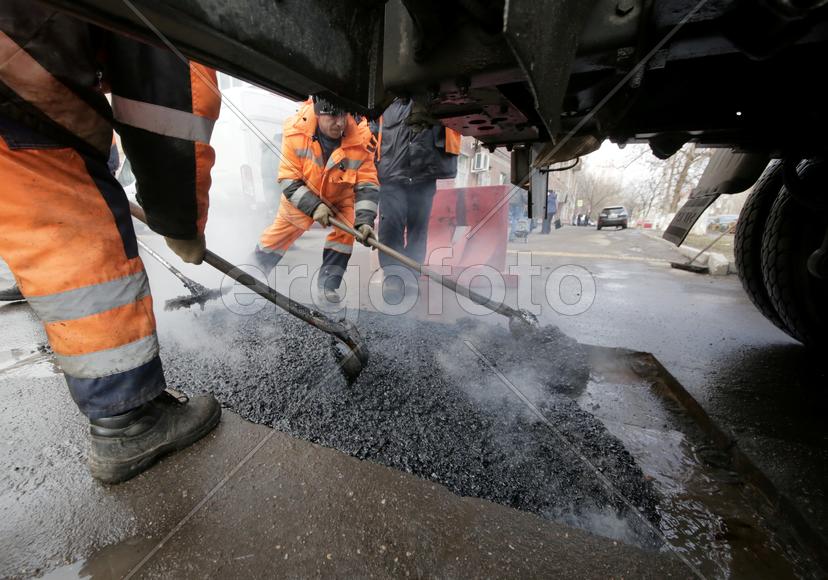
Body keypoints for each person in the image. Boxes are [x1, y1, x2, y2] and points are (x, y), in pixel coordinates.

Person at [0, 2, 222, 483]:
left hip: (16, 99)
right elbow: (172, 107)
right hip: (20, 104)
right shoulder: (172, 11)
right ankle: (128, 423)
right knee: (84, 253)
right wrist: (180, 221)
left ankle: (124, 413)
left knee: (45, 245)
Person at [253, 96, 380, 302]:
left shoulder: (362, 138)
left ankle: (327, 287)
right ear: (318, 114)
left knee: (346, 233)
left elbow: (367, 183)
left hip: (340, 198)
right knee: (276, 238)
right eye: (333, 117)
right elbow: (288, 179)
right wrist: (314, 207)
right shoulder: (295, 132)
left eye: (343, 116)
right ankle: (249, 277)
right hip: (302, 195)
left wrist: (365, 221)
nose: (340, 123)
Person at [370, 97, 460, 299]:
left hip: (425, 171)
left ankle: (411, 275)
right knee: (390, 227)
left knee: (418, 229)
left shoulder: (436, 93)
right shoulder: (385, 99)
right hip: (391, 172)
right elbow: (371, 127)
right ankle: (393, 277)